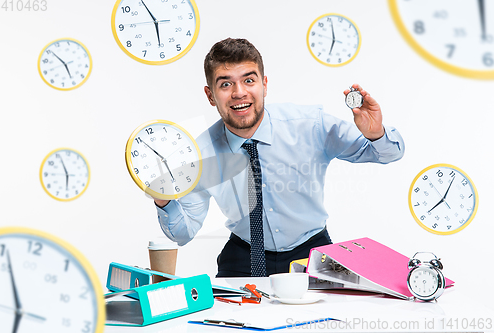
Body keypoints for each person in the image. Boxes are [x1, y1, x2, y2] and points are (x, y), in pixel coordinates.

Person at [153, 38, 404, 277]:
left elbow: (389, 154)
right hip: (243, 255)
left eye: (248, 80)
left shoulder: (310, 125)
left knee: (320, 319)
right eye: (226, 84)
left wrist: (376, 134)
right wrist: (164, 200)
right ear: (210, 95)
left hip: (311, 250)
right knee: (226, 319)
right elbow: (183, 234)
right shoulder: (201, 153)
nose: (239, 93)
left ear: (264, 84)